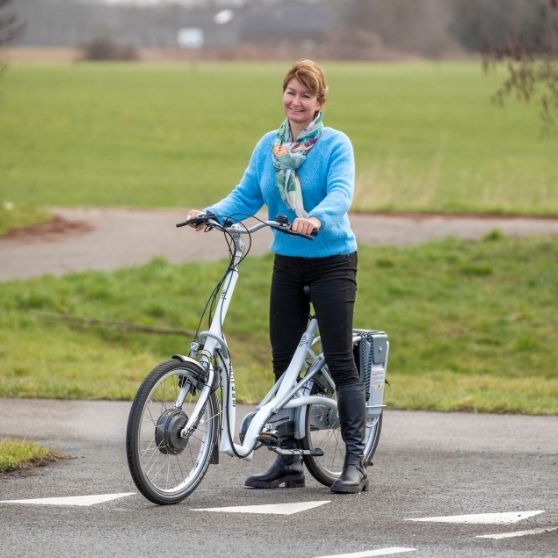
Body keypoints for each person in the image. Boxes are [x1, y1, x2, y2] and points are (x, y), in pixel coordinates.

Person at [185, 59, 367, 494]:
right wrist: (210, 214)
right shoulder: (270, 146)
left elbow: (341, 194)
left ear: (320, 103)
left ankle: (356, 461)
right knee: (283, 360)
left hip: (332, 260)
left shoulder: (336, 144)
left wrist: (315, 219)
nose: (296, 101)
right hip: (287, 261)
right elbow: (246, 195)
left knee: (341, 361)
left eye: (306, 95)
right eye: (290, 92)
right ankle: (288, 461)